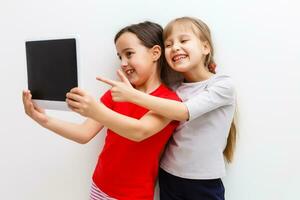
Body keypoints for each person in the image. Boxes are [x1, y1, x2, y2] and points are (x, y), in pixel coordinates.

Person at [22, 21, 181, 200]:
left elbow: (140, 131)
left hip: (133, 195)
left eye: (129, 54)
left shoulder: (169, 102)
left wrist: (95, 110)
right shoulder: (115, 93)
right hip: (99, 186)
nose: (123, 62)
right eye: (120, 57)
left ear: (155, 53)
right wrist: (43, 119)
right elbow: (84, 133)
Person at [96, 17, 237, 200]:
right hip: (169, 176)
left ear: (205, 47)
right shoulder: (175, 89)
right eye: (169, 44)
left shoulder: (223, 85)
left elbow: (184, 111)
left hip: (203, 181)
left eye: (183, 40)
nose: (175, 47)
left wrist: (132, 95)